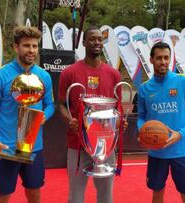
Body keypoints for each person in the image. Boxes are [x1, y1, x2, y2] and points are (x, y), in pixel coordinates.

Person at [0, 26, 55, 203]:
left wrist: (45, 115)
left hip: (33, 146)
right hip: (7, 148)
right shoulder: (0, 76)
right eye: (26, 45)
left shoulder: (44, 76)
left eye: (34, 46)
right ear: (16, 47)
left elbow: (50, 104)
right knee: (3, 194)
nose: (31, 50)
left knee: (34, 190)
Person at [58, 25, 125, 203]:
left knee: (105, 195)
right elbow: (62, 105)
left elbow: (118, 108)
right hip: (77, 144)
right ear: (84, 42)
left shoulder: (113, 74)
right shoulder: (69, 73)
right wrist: (69, 119)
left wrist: (119, 121)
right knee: (76, 195)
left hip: (105, 144)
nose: (97, 42)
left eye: (100, 39)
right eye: (92, 39)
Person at [137, 42, 185, 203]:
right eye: (159, 58)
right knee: (157, 194)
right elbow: (141, 117)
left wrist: (179, 134)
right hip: (156, 152)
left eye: (166, 57)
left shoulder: (184, 82)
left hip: (181, 151)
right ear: (151, 60)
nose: (163, 61)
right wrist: (142, 131)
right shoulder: (144, 88)